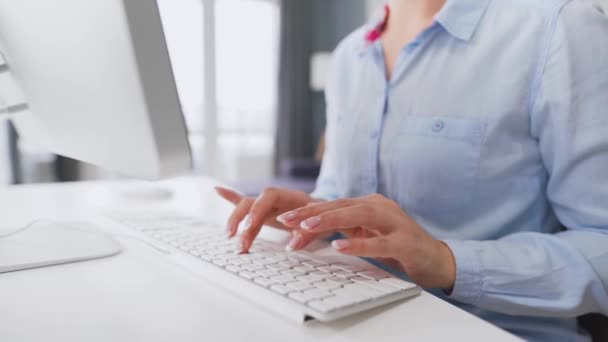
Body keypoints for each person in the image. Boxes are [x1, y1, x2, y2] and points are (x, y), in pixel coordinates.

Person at [215, 0, 608, 340]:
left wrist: (446, 262)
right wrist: (316, 213)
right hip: (348, 322)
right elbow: (340, 193)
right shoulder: (349, 56)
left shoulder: (559, 29)